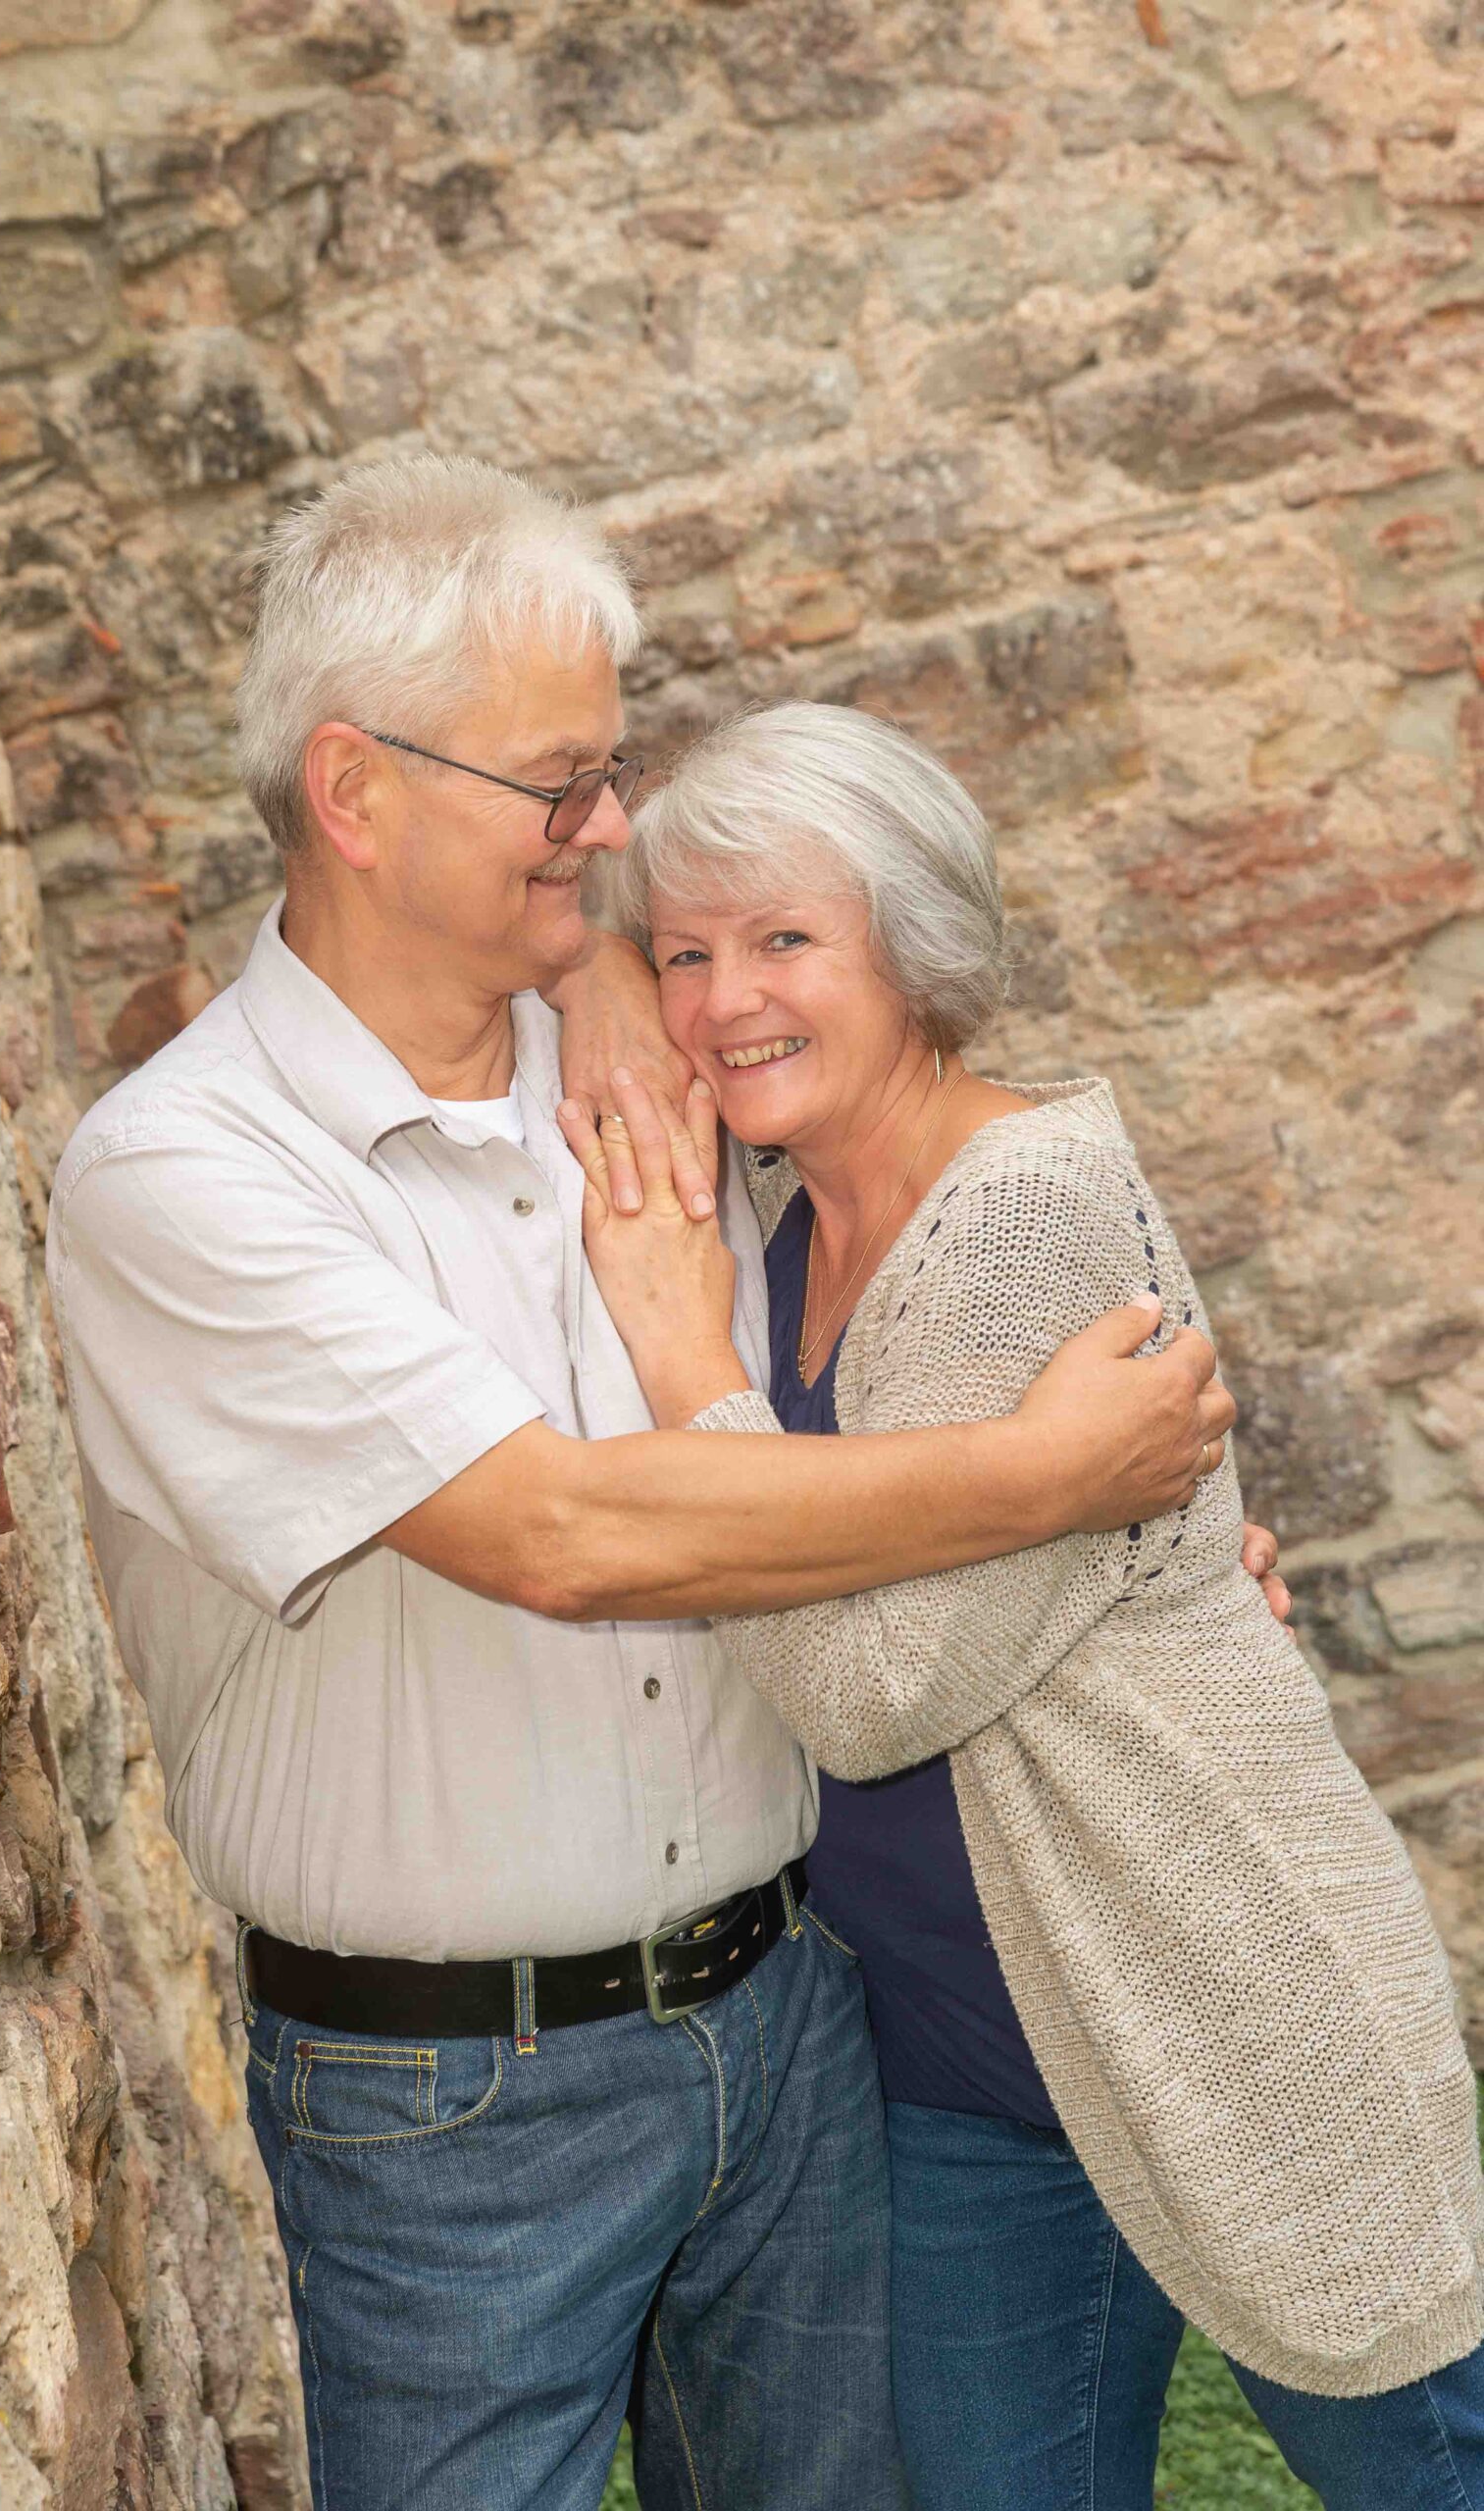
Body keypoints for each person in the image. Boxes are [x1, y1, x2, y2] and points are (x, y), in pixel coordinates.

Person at [44, 460, 1243, 2511]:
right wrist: (1046, 1477)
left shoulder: (654, 1060)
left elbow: (926, 1219)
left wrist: (1162, 1546)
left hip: (793, 2022)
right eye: (561, 783)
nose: (607, 832)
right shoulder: (183, 1176)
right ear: (355, 792)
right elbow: (567, 1534)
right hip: (449, 2105)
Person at [561, 698, 1484, 2511]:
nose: (727, 999)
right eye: (691, 955)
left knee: (1427, 2469)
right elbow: (574, 949)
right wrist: (613, 959)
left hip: (1223, 1990)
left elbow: (871, 1693)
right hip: (973, 2069)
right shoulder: (783, 1207)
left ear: (914, 952)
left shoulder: (1024, 1211)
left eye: (787, 942)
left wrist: (683, 1363)